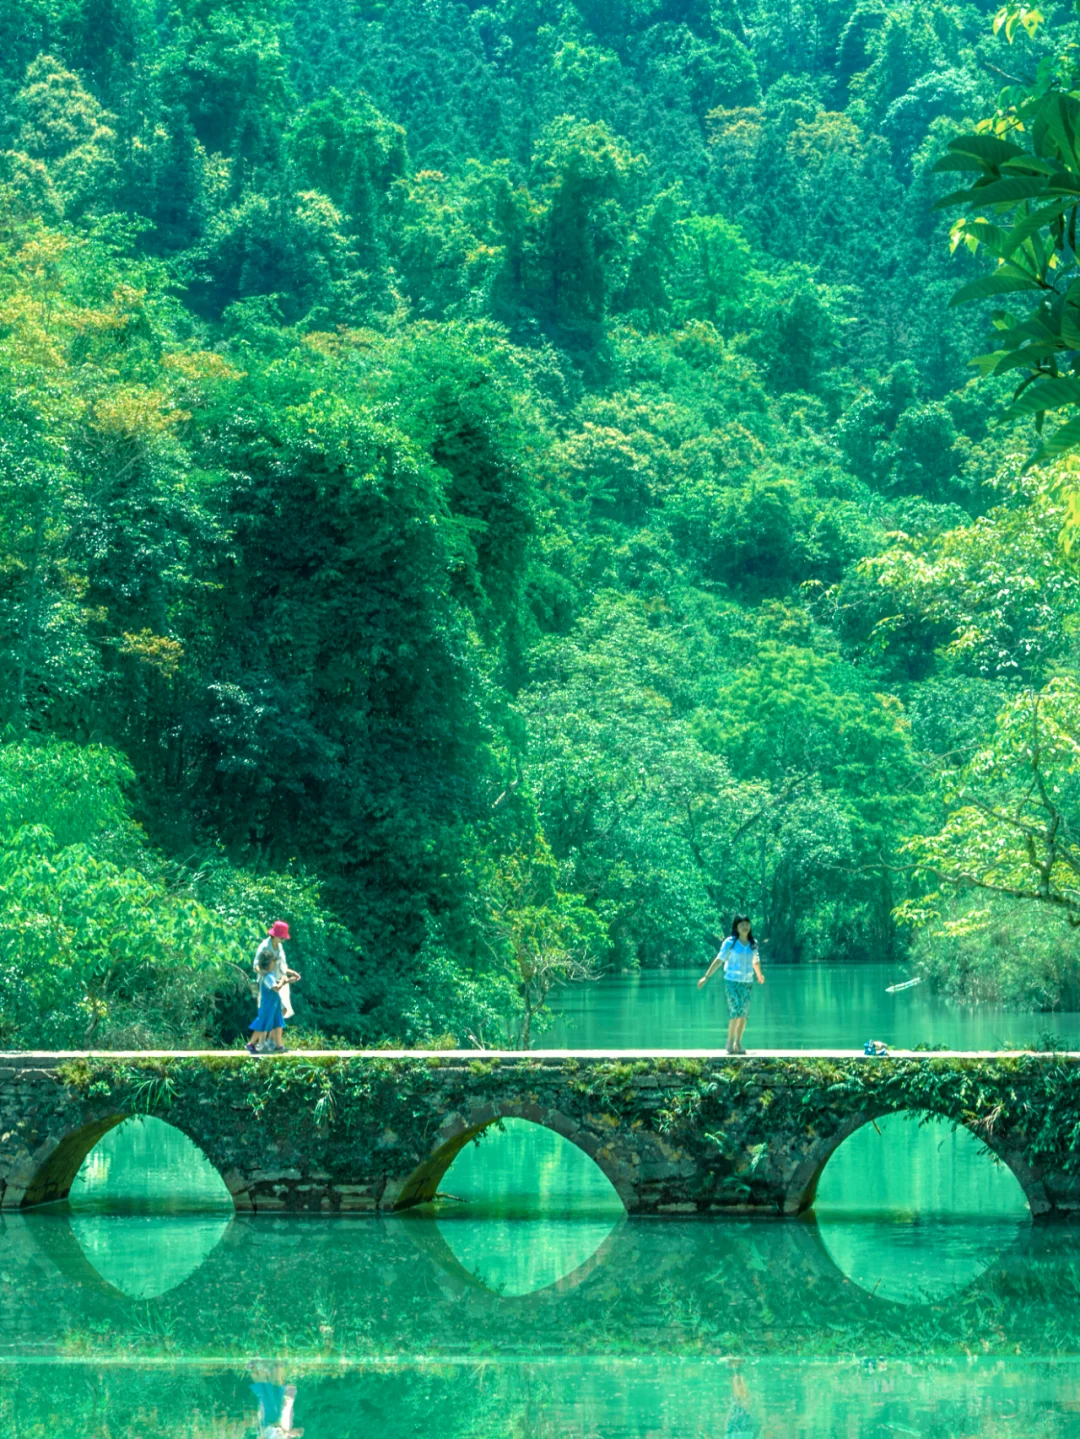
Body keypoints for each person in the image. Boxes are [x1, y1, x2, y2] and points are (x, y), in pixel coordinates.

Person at [697, 915, 764, 1055]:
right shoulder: (730, 943)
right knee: (736, 1010)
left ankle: (738, 1043)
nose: (745, 927)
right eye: (741, 925)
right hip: (731, 981)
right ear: (736, 927)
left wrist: (759, 975)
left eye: (747, 924)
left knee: (744, 1013)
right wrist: (706, 977)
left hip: (747, 982)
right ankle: (729, 1041)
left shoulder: (753, 943)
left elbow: (755, 961)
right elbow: (719, 960)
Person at [253, 920, 300, 1033]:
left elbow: (281, 966)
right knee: (268, 1012)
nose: (283, 940)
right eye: (281, 937)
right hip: (268, 983)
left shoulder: (279, 947)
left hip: (280, 980)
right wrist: (266, 976)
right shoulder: (264, 946)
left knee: (283, 1009)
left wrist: (292, 973)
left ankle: (273, 1042)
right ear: (274, 935)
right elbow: (256, 965)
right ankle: (262, 1042)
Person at [247, 949, 288, 1055]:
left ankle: (278, 1045)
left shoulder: (270, 975)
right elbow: (276, 988)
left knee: (278, 1023)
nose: (274, 964)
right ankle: (251, 1043)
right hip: (268, 1005)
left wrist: (287, 980)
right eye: (273, 962)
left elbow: (275, 984)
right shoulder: (268, 977)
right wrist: (283, 980)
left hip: (274, 1004)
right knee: (263, 1024)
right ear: (269, 963)